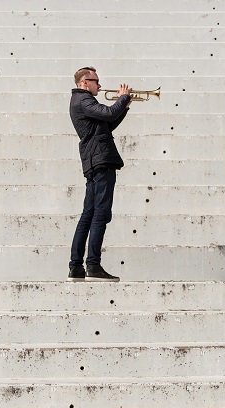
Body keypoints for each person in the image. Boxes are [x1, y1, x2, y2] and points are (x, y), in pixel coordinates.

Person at [67, 66, 132, 282]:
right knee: (100, 214)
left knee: (88, 214)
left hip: (94, 160)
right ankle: (93, 266)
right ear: (85, 82)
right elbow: (109, 113)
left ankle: (76, 267)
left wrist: (124, 107)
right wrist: (121, 99)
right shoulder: (84, 100)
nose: (100, 85)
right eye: (96, 81)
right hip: (100, 161)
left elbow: (107, 125)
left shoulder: (81, 101)